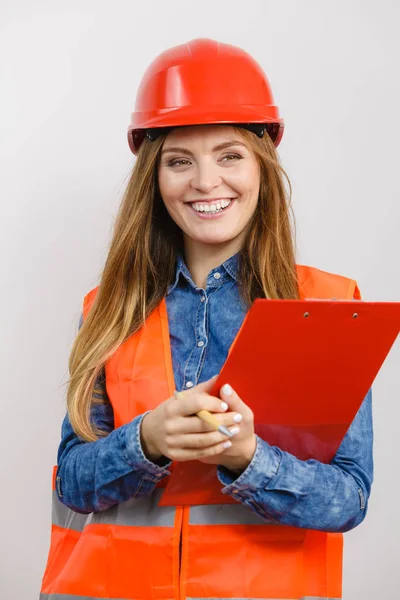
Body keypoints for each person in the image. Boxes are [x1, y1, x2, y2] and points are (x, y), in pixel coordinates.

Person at [39, 38, 373, 600]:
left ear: (262, 165)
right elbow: (72, 481)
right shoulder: (109, 308)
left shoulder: (326, 305)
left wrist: (250, 460)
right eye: (178, 161)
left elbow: (348, 498)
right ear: (155, 177)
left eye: (229, 155)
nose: (205, 182)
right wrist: (145, 439)